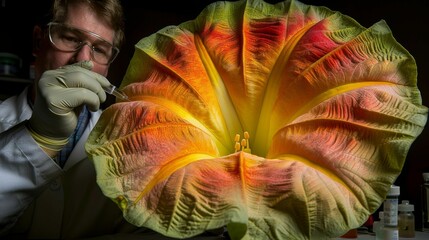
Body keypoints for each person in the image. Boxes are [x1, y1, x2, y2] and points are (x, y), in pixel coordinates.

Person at [0, 0, 145, 238]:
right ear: (38, 42)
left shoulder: (125, 145)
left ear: (108, 67)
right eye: (70, 38)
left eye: (99, 49)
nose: (83, 60)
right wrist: (40, 138)